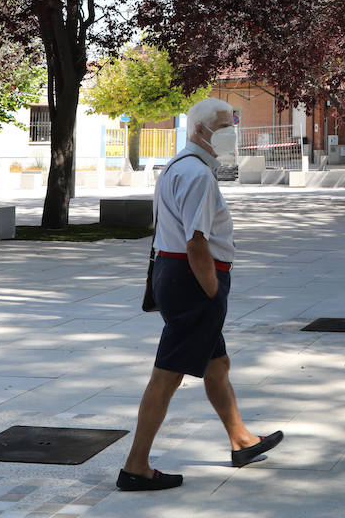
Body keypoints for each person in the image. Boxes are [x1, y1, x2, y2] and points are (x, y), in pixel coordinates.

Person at [116, 98, 282, 491]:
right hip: (193, 280)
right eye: (225, 127)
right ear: (200, 130)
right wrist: (212, 292)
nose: (232, 134)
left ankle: (241, 439)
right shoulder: (198, 175)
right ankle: (135, 466)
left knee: (217, 363)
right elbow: (196, 242)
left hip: (176, 276)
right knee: (167, 376)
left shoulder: (178, 166)